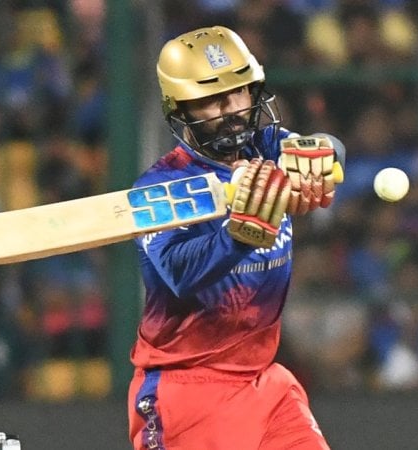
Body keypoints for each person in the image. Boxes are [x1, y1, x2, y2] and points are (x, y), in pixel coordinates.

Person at [127, 26, 344, 449]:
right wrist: (238, 236)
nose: (231, 109)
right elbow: (179, 274)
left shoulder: (268, 147)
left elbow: (328, 147)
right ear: (182, 108)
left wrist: (323, 156)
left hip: (266, 381)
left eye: (239, 93)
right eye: (211, 99)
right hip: (186, 388)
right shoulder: (161, 187)